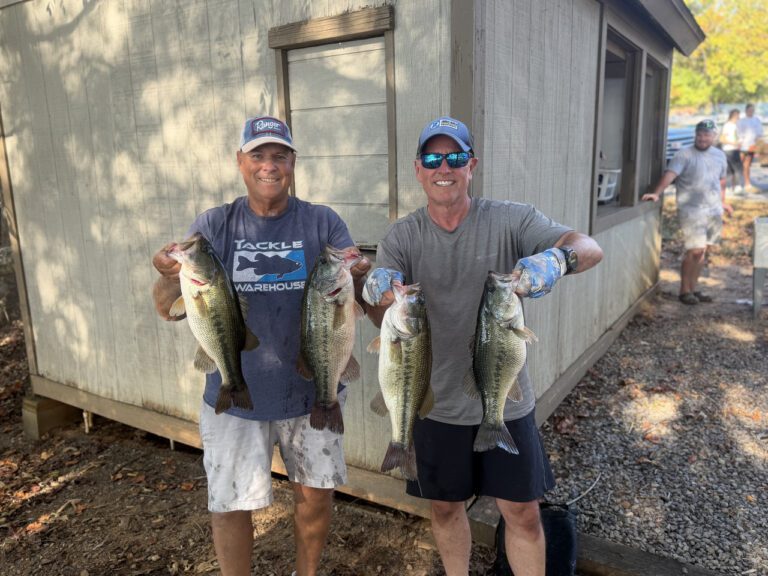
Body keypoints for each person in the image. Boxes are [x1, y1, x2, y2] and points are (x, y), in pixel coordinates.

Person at [362, 116, 603, 576]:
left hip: (504, 398)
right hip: (434, 404)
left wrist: (557, 259)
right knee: (445, 510)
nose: (443, 168)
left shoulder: (512, 219)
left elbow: (589, 246)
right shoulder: (402, 236)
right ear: (418, 169)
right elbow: (381, 313)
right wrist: (377, 290)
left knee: (523, 513)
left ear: (472, 165)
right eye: (432, 158)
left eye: (454, 157)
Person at [151, 116, 371, 576]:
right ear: (240, 162)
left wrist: (363, 274)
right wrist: (166, 273)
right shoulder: (215, 224)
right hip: (234, 396)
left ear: (292, 162)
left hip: (310, 390)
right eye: (258, 155)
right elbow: (165, 304)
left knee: (315, 495)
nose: (269, 166)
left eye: (279, 156)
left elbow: (358, 293)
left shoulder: (322, 221)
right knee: (231, 502)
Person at [642, 119, 733, 305]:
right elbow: (670, 175)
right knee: (695, 250)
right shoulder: (684, 155)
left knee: (703, 251)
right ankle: (684, 291)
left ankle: (694, 289)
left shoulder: (719, 155)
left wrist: (723, 202)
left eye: (706, 135)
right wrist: (656, 193)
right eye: (699, 134)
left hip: (714, 209)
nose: (702, 138)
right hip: (692, 210)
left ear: (714, 137)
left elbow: (721, 180)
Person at [737, 103, 764, 192]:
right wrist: (740, 143)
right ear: (746, 111)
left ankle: (747, 183)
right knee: (741, 165)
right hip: (743, 146)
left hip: (752, 146)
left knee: (747, 165)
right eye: (749, 110)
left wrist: (757, 143)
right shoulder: (741, 121)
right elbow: (739, 133)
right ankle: (741, 183)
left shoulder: (756, 120)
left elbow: (760, 132)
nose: (751, 111)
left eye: (752, 110)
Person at [719, 109, 742, 193]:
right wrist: (734, 143)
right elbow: (722, 139)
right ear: (734, 115)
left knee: (732, 170)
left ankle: (731, 187)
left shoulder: (735, 125)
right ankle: (736, 187)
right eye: (738, 115)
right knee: (736, 169)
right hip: (729, 150)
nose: (739, 117)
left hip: (734, 149)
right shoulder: (727, 125)